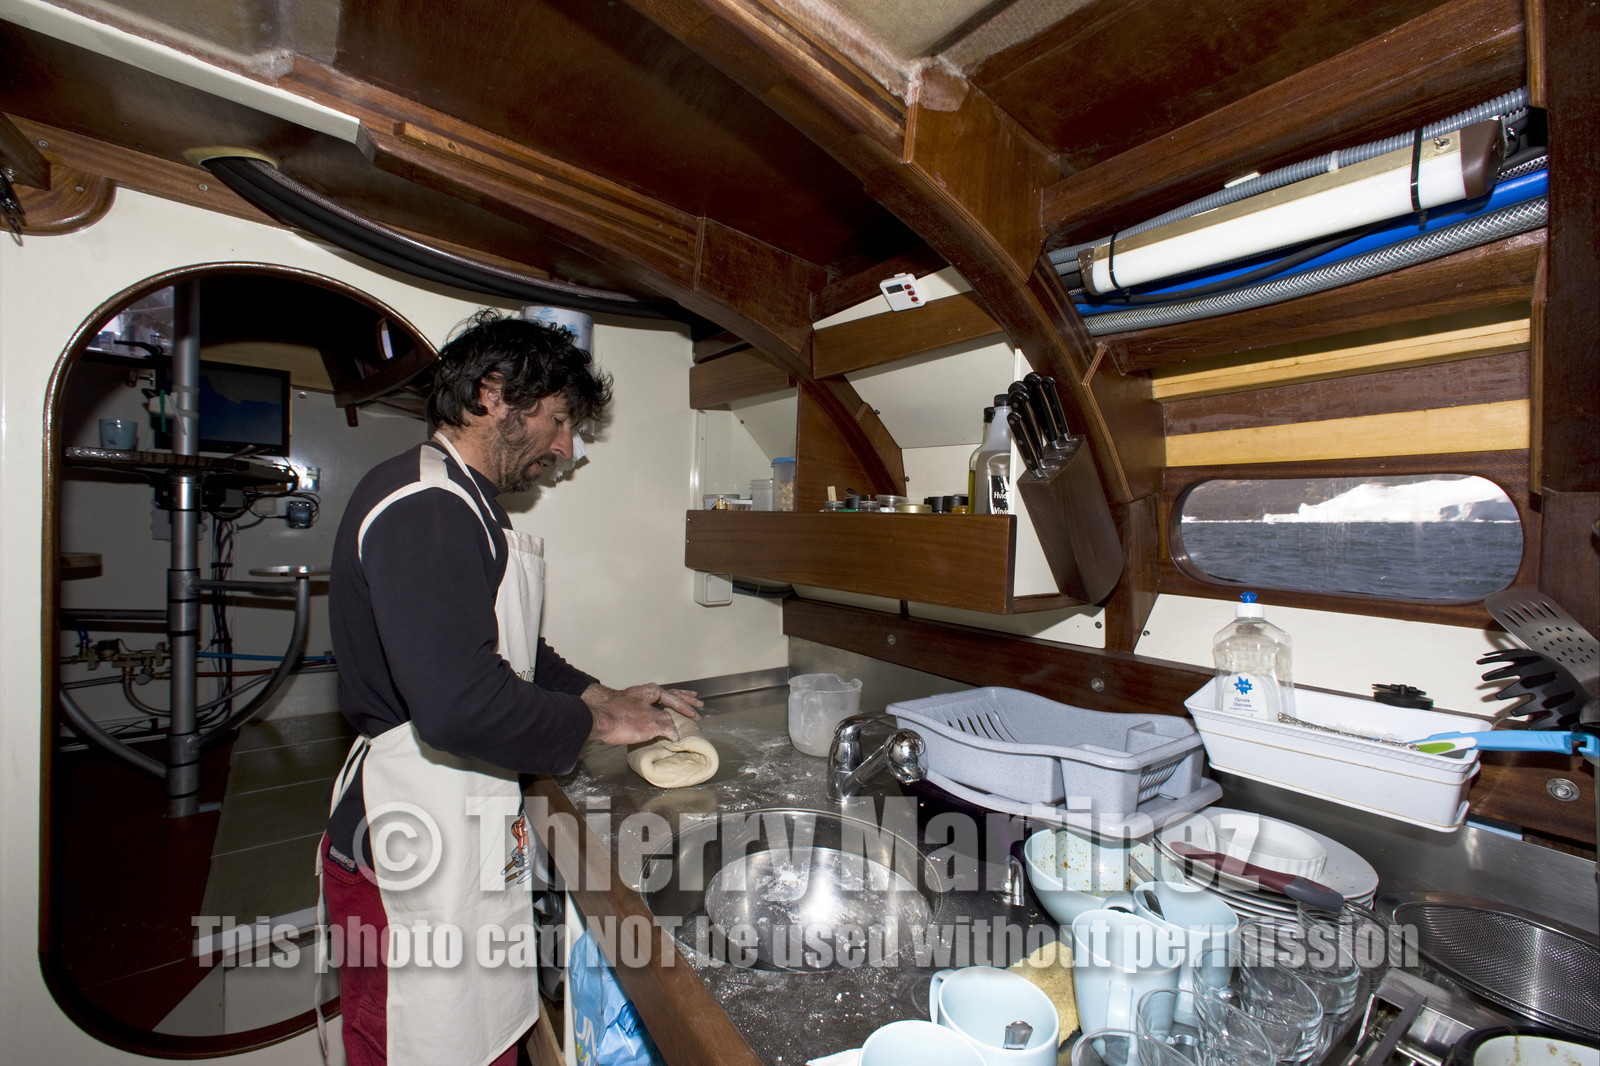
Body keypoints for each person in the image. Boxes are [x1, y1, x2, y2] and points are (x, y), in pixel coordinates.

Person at [319, 309, 702, 1066]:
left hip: (453, 822)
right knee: (414, 1046)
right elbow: (459, 704)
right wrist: (601, 727)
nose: (565, 447)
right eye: (559, 420)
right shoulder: (426, 507)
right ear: (493, 393)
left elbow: (515, 653)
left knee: (483, 1041)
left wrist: (603, 695)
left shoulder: (464, 500)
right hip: (405, 843)